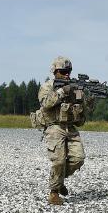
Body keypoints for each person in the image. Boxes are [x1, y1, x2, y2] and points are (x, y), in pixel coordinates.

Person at [36, 56, 95, 205]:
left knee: (78, 159)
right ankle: (54, 193)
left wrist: (89, 99)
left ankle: (59, 180)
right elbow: (46, 103)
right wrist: (63, 91)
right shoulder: (47, 86)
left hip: (71, 127)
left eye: (68, 71)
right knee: (59, 160)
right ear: (55, 72)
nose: (67, 74)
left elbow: (83, 110)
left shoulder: (75, 87)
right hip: (54, 126)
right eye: (63, 71)